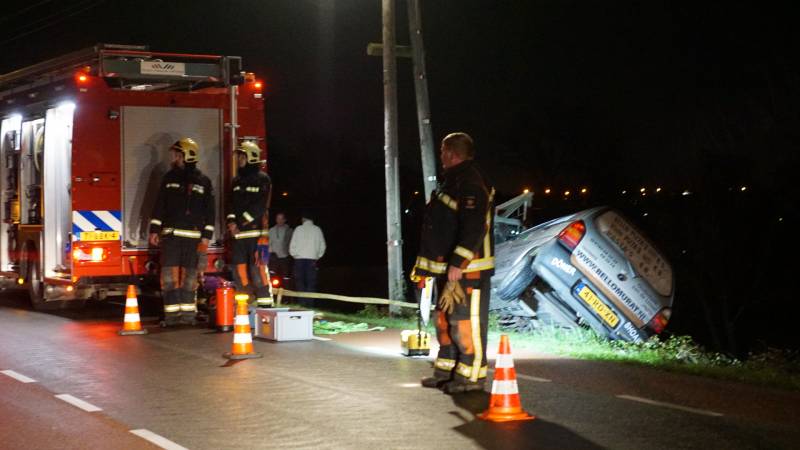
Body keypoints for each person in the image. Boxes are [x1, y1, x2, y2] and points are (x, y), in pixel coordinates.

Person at [411, 132, 495, 394]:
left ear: (450, 152)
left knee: (465, 322)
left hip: (468, 271)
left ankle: (471, 377)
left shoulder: (471, 182)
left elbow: (474, 227)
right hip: (449, 270)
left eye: (442, 151)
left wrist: (458, 263)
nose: (441, 157)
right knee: (445, 321)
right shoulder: (453, 181)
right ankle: (447, 372)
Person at [149, 137, 215, 327]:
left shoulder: (204, 181)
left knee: (190, 279)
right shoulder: (169, 178)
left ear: (188, 156)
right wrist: (154, 230)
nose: (174, 158)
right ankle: (172, 317)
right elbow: (159, 205)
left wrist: (206, 237)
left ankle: (188, 316)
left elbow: (210, 212)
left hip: (193, 240)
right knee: (168, 278)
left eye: (178, 155)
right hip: (171, 238)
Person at [226, 140, 274, 308]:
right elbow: (230, 204)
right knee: (239, 271)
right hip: (238, 236)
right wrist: (231, 222)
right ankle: (244, 307)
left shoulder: (263, 179)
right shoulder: (236, 181)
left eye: (242, 156)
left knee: (258, 270)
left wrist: (240, 222)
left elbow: (260, 206)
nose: (239, 160)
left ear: (251, 157)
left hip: (257, 235)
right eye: (239, 156)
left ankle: (265, 306)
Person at [289, 213, 326, 301]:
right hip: (312, 259)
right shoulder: (317, 229)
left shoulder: (298, 229)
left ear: (303, 219)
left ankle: (302, 303)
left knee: (300, 282)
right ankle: (310, 304)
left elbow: (292, 245)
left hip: (299, 259)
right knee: (311, 283)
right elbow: (323, 246)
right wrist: (317, 256)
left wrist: (294, 255)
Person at [269, 212, 293, 282]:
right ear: (276, 219)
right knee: (272, 277)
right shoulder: (271, 230)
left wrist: (290, 253)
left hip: (285, 257)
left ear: (285, 220)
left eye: (281, 219)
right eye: (278, 218)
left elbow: (292, 243)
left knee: (286, 277)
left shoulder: (289, 230)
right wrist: (271, 253)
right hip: (274, 258)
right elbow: (269, 243)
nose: (279, 220)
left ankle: (286, 287)